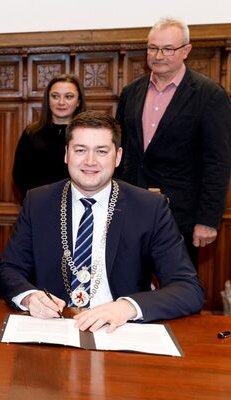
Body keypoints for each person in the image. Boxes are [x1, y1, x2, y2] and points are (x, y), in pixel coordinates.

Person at [0, 111, 204, 332]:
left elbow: (188, 288)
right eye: (80, 150)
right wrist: (29, 297)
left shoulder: (149, 207)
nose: (90, 161)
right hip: (55, 328)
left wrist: (128, 307)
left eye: (101, 151)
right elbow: (9, 269)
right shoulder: (38, 202)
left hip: (121, 330)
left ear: (118, 156)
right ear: (67, 154)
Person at [117, 17, 231, 268]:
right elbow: (121, 150)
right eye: (152, 47)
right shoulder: (131, 93)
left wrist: (208, 219)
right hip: (131, 209)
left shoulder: (209, 95)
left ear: (186, 51)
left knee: (176, 291)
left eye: (168, 49)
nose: (158, 55)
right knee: (128, 285)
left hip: (181, 215)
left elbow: (218, 163)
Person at [12, 74, 86, 198]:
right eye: (55, 96)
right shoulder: (32, 133)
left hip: (79, 203)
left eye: (69, 96)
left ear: (78, 101)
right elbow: (19, 174)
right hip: (39, 203)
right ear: (48, 100)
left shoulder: (89, 134)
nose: (61, 102)